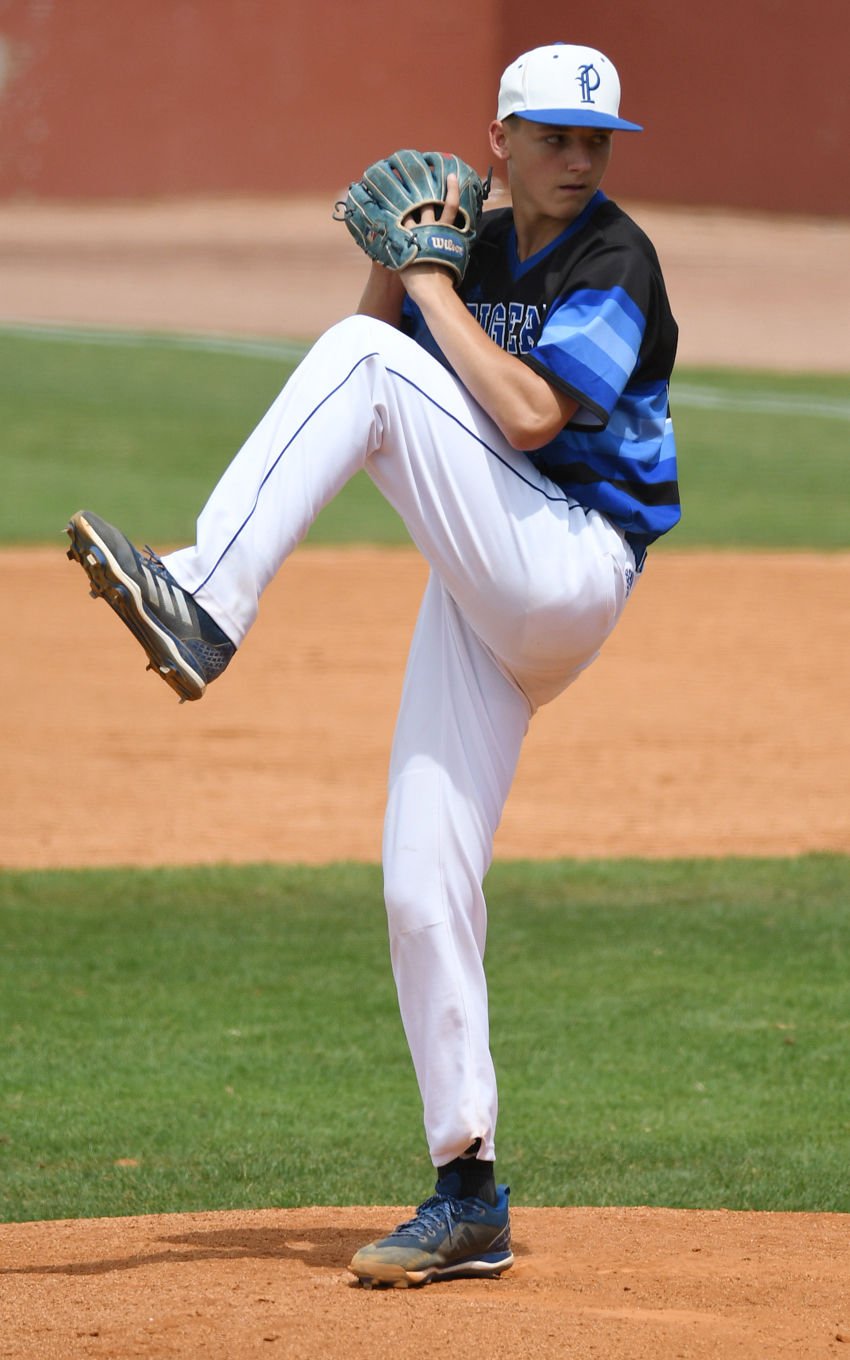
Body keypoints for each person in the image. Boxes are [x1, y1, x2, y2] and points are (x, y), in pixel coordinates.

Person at [66, 42, 679, 1288]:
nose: (579, 158)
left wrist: (424, 290)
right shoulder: (480, 242)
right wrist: (388, 270)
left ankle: (205, 599)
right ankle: (468, 1195)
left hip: (568, 565)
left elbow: (521, 417)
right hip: (484, 586)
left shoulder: (614, 257)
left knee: (377, 363)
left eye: (595, 139)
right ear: (495, 138)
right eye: (555, 135)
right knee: (418, 885)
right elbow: (355, 384)